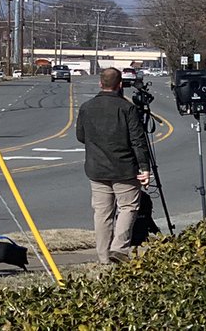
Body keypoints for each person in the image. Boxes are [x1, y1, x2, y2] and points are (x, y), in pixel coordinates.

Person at [75, 66, 151, 264]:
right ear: (120, 85)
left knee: (102, 213)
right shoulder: (127, 108)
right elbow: (137, 140)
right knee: (128, 207)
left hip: (96, 169)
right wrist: (144, 168)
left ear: (101, 83)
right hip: (124, 169)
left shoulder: (86, 107)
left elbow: (80, 136)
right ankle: (119, 248)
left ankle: (103, 257)